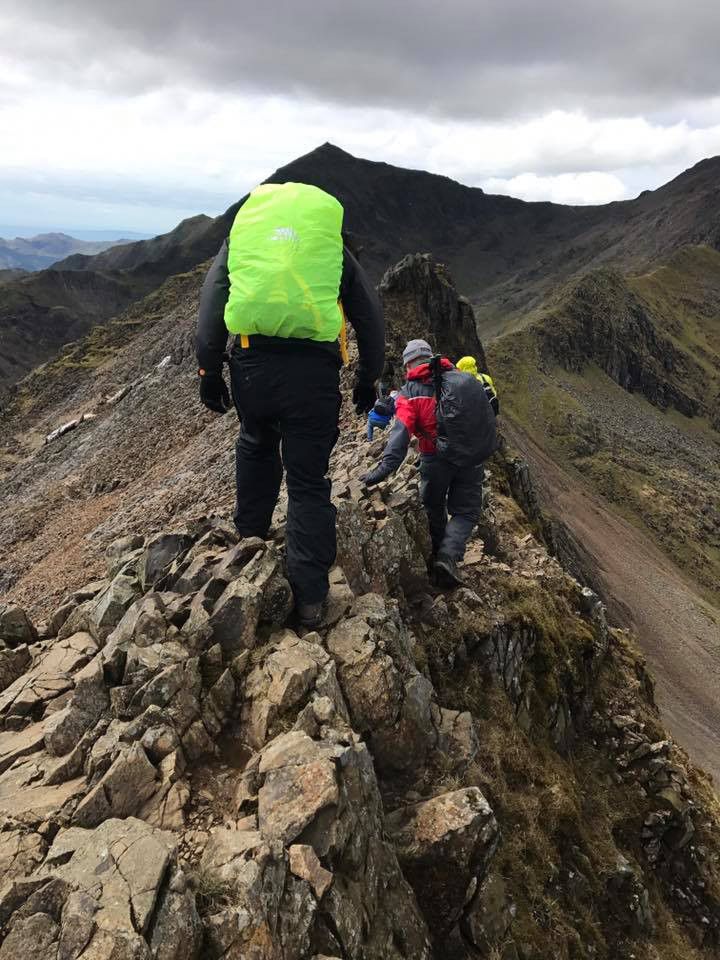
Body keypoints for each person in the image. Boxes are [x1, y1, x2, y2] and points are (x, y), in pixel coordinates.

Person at [196, 181, 384, 628]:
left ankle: (250, 544)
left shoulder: (242, 239)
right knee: (307, 481)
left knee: (256, 443)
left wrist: (208, 370)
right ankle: (310, 602)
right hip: (312, 377)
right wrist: (368, 377)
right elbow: (369, 314)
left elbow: (211, 304)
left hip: (251, 366)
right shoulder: (329, 245)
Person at [363, 339, 496, 588]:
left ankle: (438, 555)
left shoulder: (410, 393)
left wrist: (384, 469)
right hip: (469, 458)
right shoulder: (462, 380)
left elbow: (400, 435)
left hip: (434, 459)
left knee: (433, 505)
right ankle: (448, 556)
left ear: (407, 365)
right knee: (466, 511)